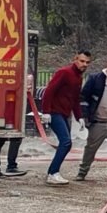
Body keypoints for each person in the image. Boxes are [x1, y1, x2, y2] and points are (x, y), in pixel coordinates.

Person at [42, 50, 91, 185]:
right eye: (82, 61)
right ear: (75, 59)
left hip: (64, 113)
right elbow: (49, 91)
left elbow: (75, 98)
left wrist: (79, 116)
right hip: (55, 112)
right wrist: (46, 111)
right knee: (66, 142)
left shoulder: (78, 77)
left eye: (87, 62)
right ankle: (52, 173)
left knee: (66, 144)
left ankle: (53, 172)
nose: (84, 64)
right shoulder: (64, 72)